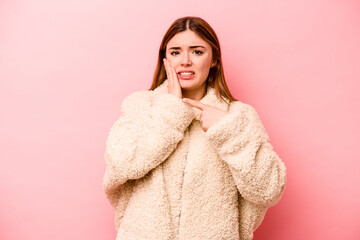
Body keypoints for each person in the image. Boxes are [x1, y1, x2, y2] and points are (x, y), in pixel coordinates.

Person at [103, 16, 287, 240]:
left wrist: (229, 131)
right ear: (165, 59)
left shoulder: (238, 116)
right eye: (175, 52)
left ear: (214, 60)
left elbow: (268, 190)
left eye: (197, 51)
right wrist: (171, 111)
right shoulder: (140, 106)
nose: (185, 61)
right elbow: (121, 164)